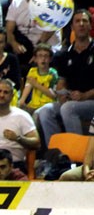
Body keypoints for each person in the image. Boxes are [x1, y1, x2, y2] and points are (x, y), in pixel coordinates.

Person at [34, 9, 94, 146]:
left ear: (90, 26)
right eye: (77, 21)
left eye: (85, 21)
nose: (81, 24)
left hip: (91, 100)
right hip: (72, 99)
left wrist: (85, 95)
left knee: (68, 108)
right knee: (45, 111)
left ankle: (77, 153)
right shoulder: (64, 54)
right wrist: (61, 94)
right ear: (72, 27)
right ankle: (57, 155)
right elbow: (61, 82)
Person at [6, 0, 61, 68]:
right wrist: (14, 44)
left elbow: (48, 32)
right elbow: (9, 30)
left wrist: (36, 53)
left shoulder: (51, 4)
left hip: (45, 47)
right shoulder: (16, 2)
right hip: (24, 46)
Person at [19, 43, 58, 114]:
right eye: (40, 56)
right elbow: (28, 86)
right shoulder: (32, 71)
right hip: (33, 105)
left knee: (36, 115)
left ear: (50, 59)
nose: (43, 59)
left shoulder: (53, 73)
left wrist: (36, 84)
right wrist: (22, 100)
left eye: (46, 56)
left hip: (47, 105)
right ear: (35, 59)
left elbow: (54, 95)